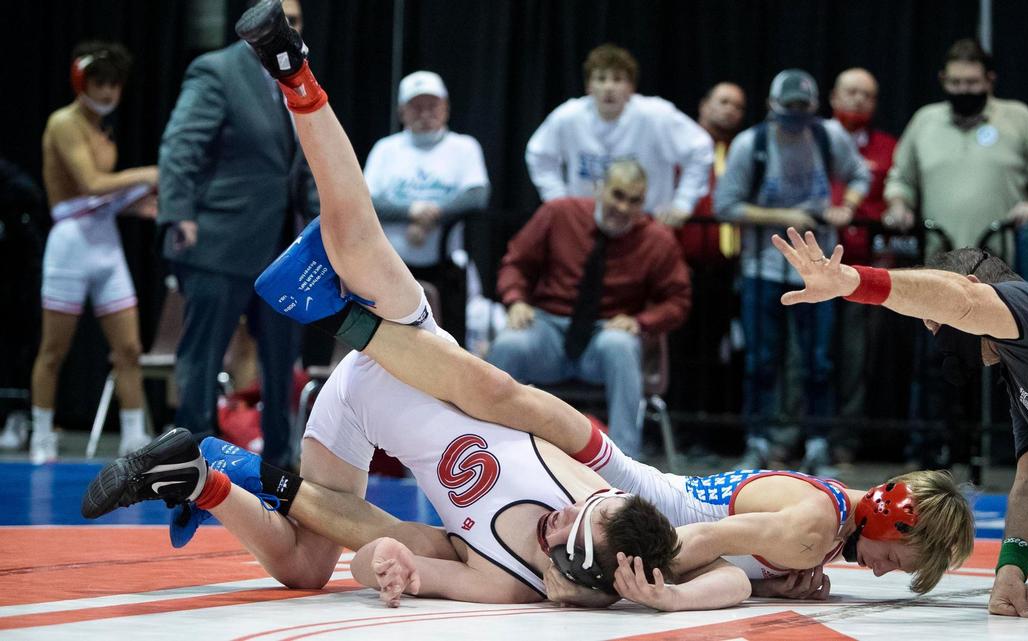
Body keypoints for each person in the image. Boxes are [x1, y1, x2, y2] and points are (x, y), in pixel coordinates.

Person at [81, 0, 741, 612]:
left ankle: (203, 471)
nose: (563, 520)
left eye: (571, 543)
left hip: (354, 411)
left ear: (579, 585)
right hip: (421, 360)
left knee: (305, 566)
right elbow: (499, 394)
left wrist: (387, 567)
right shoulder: (594, 481)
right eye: (585, 512)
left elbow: (392, 541)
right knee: (355, 239)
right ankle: (294, 71)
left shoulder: (510, 584)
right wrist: (360, 329)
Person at [766, 226, 1028, 627]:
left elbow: (961, 300)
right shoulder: (1020, 374)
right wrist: (1011, 572)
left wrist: (851, 281)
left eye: (934, 320)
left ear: (973, 287)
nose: (934, 334)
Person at [158, 0, 318, 469]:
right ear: (254, 24)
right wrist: (179, 212)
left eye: (296, 21)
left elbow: (303, 163)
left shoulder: (297, 76)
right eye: (280, 18)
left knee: (282, 363)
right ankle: (193, 465)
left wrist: (322, 229)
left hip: (282, 249)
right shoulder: (217, 70)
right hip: (219, 239)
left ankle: (282, 467)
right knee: (203, 360)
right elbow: (181, 144)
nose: (289, 29)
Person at [715, 69, 869, 472]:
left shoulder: (827, 136)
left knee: (819, 362)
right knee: (761, 361)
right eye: (790, 107)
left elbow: (859, 174)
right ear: (772, 106)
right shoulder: (753, 144)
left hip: (819, 271)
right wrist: (788, 215)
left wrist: (847, 206)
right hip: (762, 269)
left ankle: (818, 442)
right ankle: (759, 439)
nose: (797, 116)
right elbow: (726, 205)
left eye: (804, 108)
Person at [485, 160, 692, 459]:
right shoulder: (559, 214)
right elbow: (516, 262)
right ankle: (489, 447)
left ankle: (625, 463)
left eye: (634, 201)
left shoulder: (657, 240)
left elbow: (678, 300)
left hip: (604, 336)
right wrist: (516, 300)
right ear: (599, 189)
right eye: (617, 195)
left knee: (620, 346)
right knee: (509, 344)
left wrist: (641, 321)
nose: (623, 207)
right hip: (548, 328)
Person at [31, 40, 158, 464]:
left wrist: (139, 203)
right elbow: (88, 183)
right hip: (70, 244)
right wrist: (151, 174)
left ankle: (134, 439)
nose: (107, 94)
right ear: (81, 81)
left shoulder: (103, 129)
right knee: (54, 350)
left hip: (105, 241)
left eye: (115, 85)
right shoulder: (64, 122)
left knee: (129, 349)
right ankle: (42, 434)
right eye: (100, 83)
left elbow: (104, 197)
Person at [883, 38, 1028, 250]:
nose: (963, 90)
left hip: (1003, 260)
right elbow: (900, 178)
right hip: (937, 261)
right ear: (942, 80)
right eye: (955, 82)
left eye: (971, 83)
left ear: (990, 80)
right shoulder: (924, 120)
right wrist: (898, 206)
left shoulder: (1018, 118)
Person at [362, 70, 490, 344]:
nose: (425, 112)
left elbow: (477, 195)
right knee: (393, 343)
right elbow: (366, 199)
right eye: (416, 106)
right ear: (402, 111)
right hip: (393, 266)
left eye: (432, 105)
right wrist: (411, 212)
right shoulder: (386, 149)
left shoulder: (464, 147)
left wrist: (433, 216)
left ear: (446, 107)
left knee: (450, 344)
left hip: (446, 267)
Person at [525, 44, 713, 228]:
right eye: (601, 79)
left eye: (617, 79)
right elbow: (539, 155)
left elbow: (700, 148)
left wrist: (683, 202)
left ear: (631, 87)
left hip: (645, 226)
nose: (608, 87)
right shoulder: (568, 117)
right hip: (585, 226)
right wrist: (559, 201)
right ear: (589, 86)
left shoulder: (656, 115)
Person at [824, 68, 898, 466]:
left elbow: (897, 199)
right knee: (808, 358)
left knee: (856, 358)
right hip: (813, 267)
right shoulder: (810, 139)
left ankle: (844, 441)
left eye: (866, 95)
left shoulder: (888, 148)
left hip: (863, 273)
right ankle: (802, 436)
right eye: (850, 92)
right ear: (833, 97)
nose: (857, 100)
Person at [671, 82, 747, 430]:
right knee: (681, 347)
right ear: (704, 105)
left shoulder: (744, 151)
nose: (730, 110)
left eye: (737, 106)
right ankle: (678, 428)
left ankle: (710, 430)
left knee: (719, 350)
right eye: (723, 102)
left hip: (729, 267)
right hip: (683, 265)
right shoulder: (680, 147)